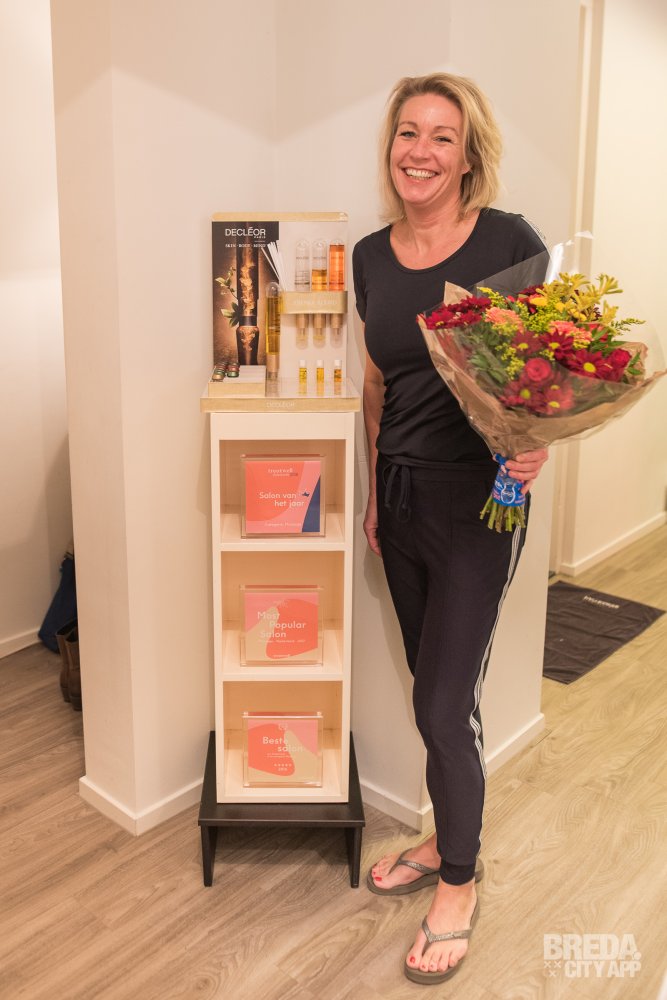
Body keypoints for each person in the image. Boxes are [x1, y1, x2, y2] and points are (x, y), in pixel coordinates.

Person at [353, 72, 549, 986]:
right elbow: (377, 385)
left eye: (440, 136)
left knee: (441, 704)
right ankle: (444, 840)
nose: (419, 151)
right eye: (407, 132)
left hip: (478, 507)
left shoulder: (508, 242)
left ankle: (459, 881)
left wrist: (534, 444)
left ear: (467, 155)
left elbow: (540, 374)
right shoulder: (371, 256)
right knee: (431, 694)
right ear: (391, 146)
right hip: (398, 501)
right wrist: (370, 493)